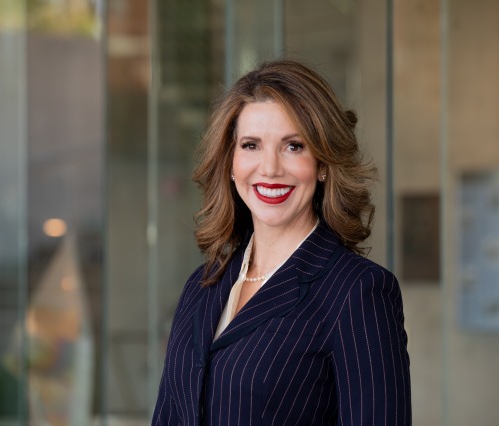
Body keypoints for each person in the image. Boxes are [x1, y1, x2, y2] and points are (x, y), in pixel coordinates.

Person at [152, 60, 411, 425]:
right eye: (251, 145)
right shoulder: (202, 285)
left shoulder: (358, 292)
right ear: (230, 161)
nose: (270, 168)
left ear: (322, 163)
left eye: (293, 146)